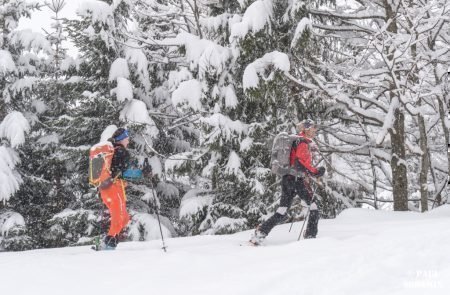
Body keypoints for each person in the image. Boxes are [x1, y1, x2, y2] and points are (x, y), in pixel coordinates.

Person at [250, 119, 325, 245]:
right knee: (314, 207)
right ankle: (310, 238)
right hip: (297, 180)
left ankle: (260, 233)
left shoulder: (297, 141)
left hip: (287, 179)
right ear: (306, 129)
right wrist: (316, 172)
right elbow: (301, 163)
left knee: (282, 210)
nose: (315, 131)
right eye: (313, 128)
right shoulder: (302, 142)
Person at [97, 127, 132, 250]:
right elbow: (125, 173)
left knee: (125, 218)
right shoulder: (120, 151)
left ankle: (109, 241)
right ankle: (109, 244)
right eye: (127, 138)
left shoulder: (113, 152)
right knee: (119, 217)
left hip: (108, 189)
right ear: (122, 139)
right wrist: (142, 173)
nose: (128, 141)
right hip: (112, 188)